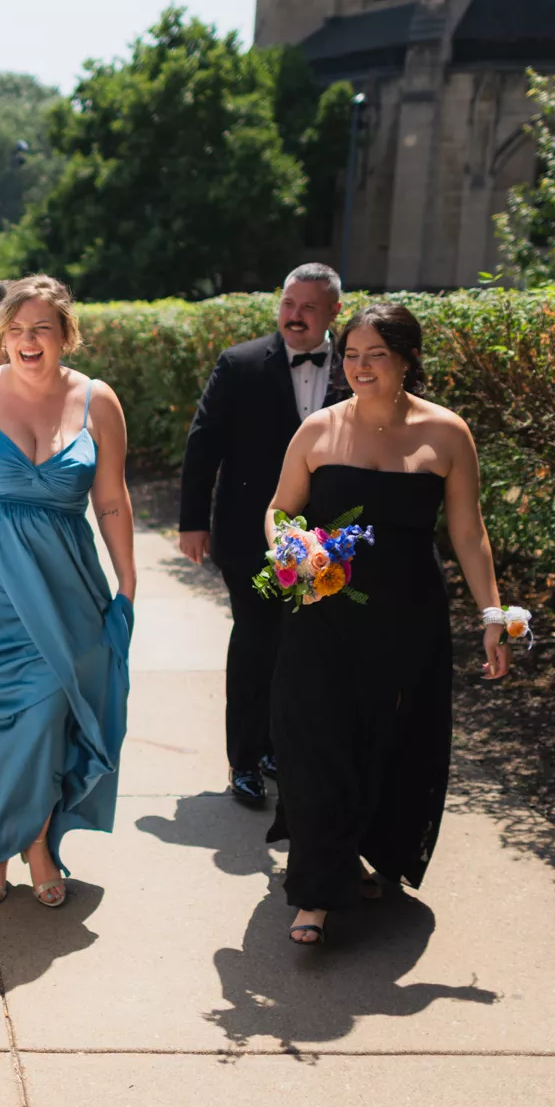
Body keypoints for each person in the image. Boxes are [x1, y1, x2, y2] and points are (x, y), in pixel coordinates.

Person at [264, 303, 510, 946]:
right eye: (350, 354)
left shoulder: (447, 433)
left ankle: (364, 852)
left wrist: (493, 613)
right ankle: (314, 893)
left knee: (388, 737)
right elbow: (280, 511)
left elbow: (468, 530)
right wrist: (296, 550)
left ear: (406, 360)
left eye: (375, 355)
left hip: (406, 616)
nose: (359, 366)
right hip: (322, 609)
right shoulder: (317, 430)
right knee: (315, 736)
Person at [0, 275, 135, 909]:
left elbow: (110, 499)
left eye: (41, 330)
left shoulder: (98, 401)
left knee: (50, 712)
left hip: (61, 587)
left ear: (65, 334)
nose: (28, 341)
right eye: (16, 331)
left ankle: (38, 841)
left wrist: (128, 577)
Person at [177, 263, 343, 809]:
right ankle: (244, 761)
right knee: (256, 642)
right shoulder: (242, 364)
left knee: (309, 649)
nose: (295, 317)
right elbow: (204, 445)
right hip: (252, 533)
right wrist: (193, 521)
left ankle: (282, 747)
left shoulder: (359, 365)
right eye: (289, 304)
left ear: (334, 313)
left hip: (335, 539)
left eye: (309, 308)